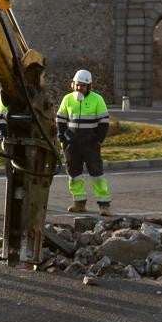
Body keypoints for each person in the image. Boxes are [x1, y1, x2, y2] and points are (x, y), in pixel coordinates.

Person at [57, 69, 112, 215]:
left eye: (83, 85)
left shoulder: (97, 99)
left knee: (97, 174)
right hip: (71, 145)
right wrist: (62, 138)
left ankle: (104, 205)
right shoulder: (67, 99)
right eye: (78, 85)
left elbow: (104, 122)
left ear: (89, 87)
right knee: (74, 174)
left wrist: (98, 140)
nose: (80, 88)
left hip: (91, 145)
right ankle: (79, 203)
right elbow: (61, 120)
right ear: (73, 84)